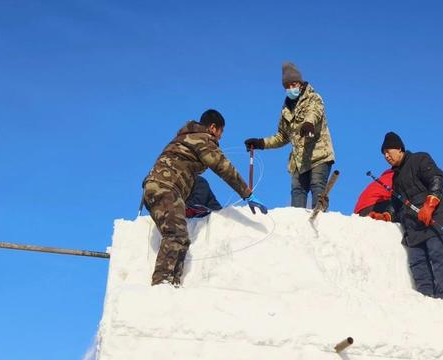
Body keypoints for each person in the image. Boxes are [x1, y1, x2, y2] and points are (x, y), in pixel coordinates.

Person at [142, 109, 267, 287]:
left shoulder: (183, 138)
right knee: (176, 234)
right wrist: (247, 194)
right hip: (167, 188)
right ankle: (162, 281)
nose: (220, 139)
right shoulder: (203, 139)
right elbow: (223, 168)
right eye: (220, 133)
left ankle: (172, 283)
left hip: (156, 187)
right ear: (213, 128)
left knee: (181, 237)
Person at [379, 132, 443, 299]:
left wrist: (430, 204)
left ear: (400, 148)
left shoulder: (419, 159)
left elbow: (436, 178)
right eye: (384, 154)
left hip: (435, 220)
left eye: (389, 151)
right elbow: (396, 205)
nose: (386, 156)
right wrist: (386, 215)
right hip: (414, 229)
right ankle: (426, 304)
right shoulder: (396, 179)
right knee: (418, 265)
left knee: (439, 259)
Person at [244, 62, 335, 209]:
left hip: (319, 155)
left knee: (317, 185)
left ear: (300, 83)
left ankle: (320, 218)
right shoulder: (286, 110)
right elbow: (282, 136)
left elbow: (315, 112)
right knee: (297, 191)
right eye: (287, 86)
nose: (291, 89)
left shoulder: (313, 98)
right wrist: (261, 143)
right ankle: (297, 223)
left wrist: (309, 123)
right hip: (298, 161)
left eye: (293, 84)